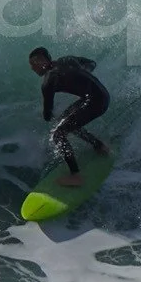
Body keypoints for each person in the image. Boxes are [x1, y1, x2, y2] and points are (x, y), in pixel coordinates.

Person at [30, 46, 109, 185]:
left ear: (42, 61)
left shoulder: (48, 81)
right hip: (102, 95)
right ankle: (99, 146)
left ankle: (76, 176)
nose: (32, 69)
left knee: (58, 134)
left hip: (94, 102)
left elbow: (47, 114)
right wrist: (80, 78)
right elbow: (91, 64)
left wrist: (44, 115)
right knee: (65, 122)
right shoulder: (66, 59)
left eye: (33, 64)